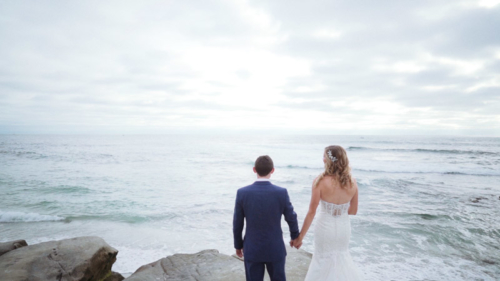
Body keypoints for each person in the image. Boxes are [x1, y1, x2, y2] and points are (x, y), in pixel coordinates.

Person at [293, 145, 362, 280]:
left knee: (321, 261)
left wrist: (300, 237)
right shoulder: (352, 182)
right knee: (342, 259)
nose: (322, 158)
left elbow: (311, 212)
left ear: (327, 160)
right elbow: (353, 211)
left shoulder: (319, 182)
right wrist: (339, 211)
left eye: (324, 156)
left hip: (324, 227)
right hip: (343, 229)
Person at [233, 155, 300, 281]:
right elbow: (291, 217)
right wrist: (295, 237)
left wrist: (238, 245)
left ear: (254, 170)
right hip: (275, 248)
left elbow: (238, 223)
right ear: (272, 170)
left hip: (252, 249)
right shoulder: (281, 192)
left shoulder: (242, 193)